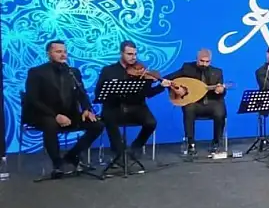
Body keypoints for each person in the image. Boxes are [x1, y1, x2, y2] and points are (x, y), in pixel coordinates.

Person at [23, 40, 104, 178]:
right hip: (44, 114)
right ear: (49, 54)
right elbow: (33, 99)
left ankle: (71, 155)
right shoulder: (37, 72)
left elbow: (81, 93)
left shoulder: (73, 72)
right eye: (58, 52)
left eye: (65, 52)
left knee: (98, 124)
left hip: (69, 114)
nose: (63, 55)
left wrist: (86, 109)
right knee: (50, 124)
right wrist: (55, 115)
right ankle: (57, 163)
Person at [95, 40, 171, 159]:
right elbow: (99, 91)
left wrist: (161, 87)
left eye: (135, 54)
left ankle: (135, 147)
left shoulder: (141, 71)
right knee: (109, 119)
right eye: (129, 54)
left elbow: (148, 93)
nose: (133, 57)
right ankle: (119, 153)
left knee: (151, 123)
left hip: (136, 106)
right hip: (114, 106)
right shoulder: (108, 70)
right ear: (121, 53)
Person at [165, 49, 227, 155]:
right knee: (189, 108)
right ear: (196, 59)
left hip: (211, 103)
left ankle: (216, 142)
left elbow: (222, 92)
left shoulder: (217, 72)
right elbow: (169, 79)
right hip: (195, 103)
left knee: (220, 112)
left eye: (207, 62)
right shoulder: (187, 68)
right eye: (201, 61)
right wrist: (176, 89)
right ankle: (191, 144)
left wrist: (221, 91)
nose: (204, 64)